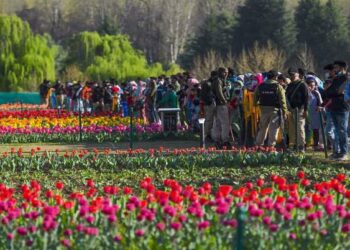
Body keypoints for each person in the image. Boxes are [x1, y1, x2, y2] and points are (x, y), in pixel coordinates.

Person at [254, 70, 287, 147]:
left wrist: (255, 104)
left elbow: (255, 96)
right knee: (273, 129)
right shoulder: (278, 86)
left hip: (263, 110)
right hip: (275, 111)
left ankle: (258, 145)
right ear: (275, 77)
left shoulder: (261, 86)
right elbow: (282, 101)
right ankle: (271, 147)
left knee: (262, 128)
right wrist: (285, 111)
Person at [324, 60, 349, 160]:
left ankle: (344, 152)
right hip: (333, 107)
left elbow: (341, 92)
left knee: (342, 131)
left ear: (343, 68)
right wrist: (335, 92)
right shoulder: (336, 79)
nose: (334, 70)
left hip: (342, 109)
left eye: (336, 68)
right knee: (337, 132)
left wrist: (337, 93)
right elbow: (329, 92)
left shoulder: (346, 79)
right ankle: (336, 152)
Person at [286, 68, 309, 152]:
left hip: (300, 110)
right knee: (291, 129)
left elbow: (306, 98)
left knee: (300, 129)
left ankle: (301, 146)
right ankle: (292, 146)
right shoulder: (290, 85)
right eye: (290, 75)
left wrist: (305, 110)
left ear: (297, 74)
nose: (291, 76)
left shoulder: (303, 85)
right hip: (291, 110)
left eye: (293, 75)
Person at [212, 67, 231, 149]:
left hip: (216, 104)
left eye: (227, 72)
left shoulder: (217, 80)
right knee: (224, 123)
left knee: (217, 123)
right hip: (221, 104)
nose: (227, 74)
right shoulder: (218, 81)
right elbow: (219, 93)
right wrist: (225, 101)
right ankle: (225, 141)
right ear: (221, 72)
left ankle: (217, 140)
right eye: (225, 72)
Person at [306, 77, 323, 151]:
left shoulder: (316, 93)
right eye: (310, 85)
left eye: (313, 85)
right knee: (306, 129)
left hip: (315, 113)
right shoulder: (305, 93)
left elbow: (321, 103)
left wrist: (319, 107)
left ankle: (315, 144)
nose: (312, 87)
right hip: (306, 113)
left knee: (315, 129)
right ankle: (306, 143)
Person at [199, 71, 217, 142]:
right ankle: (205, 136)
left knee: (209, 120)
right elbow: (209, 95)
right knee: (209, 121)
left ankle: (207, 135)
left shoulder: (206, 83)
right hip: (209, 104)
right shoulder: (209, 84)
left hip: (206, 104)